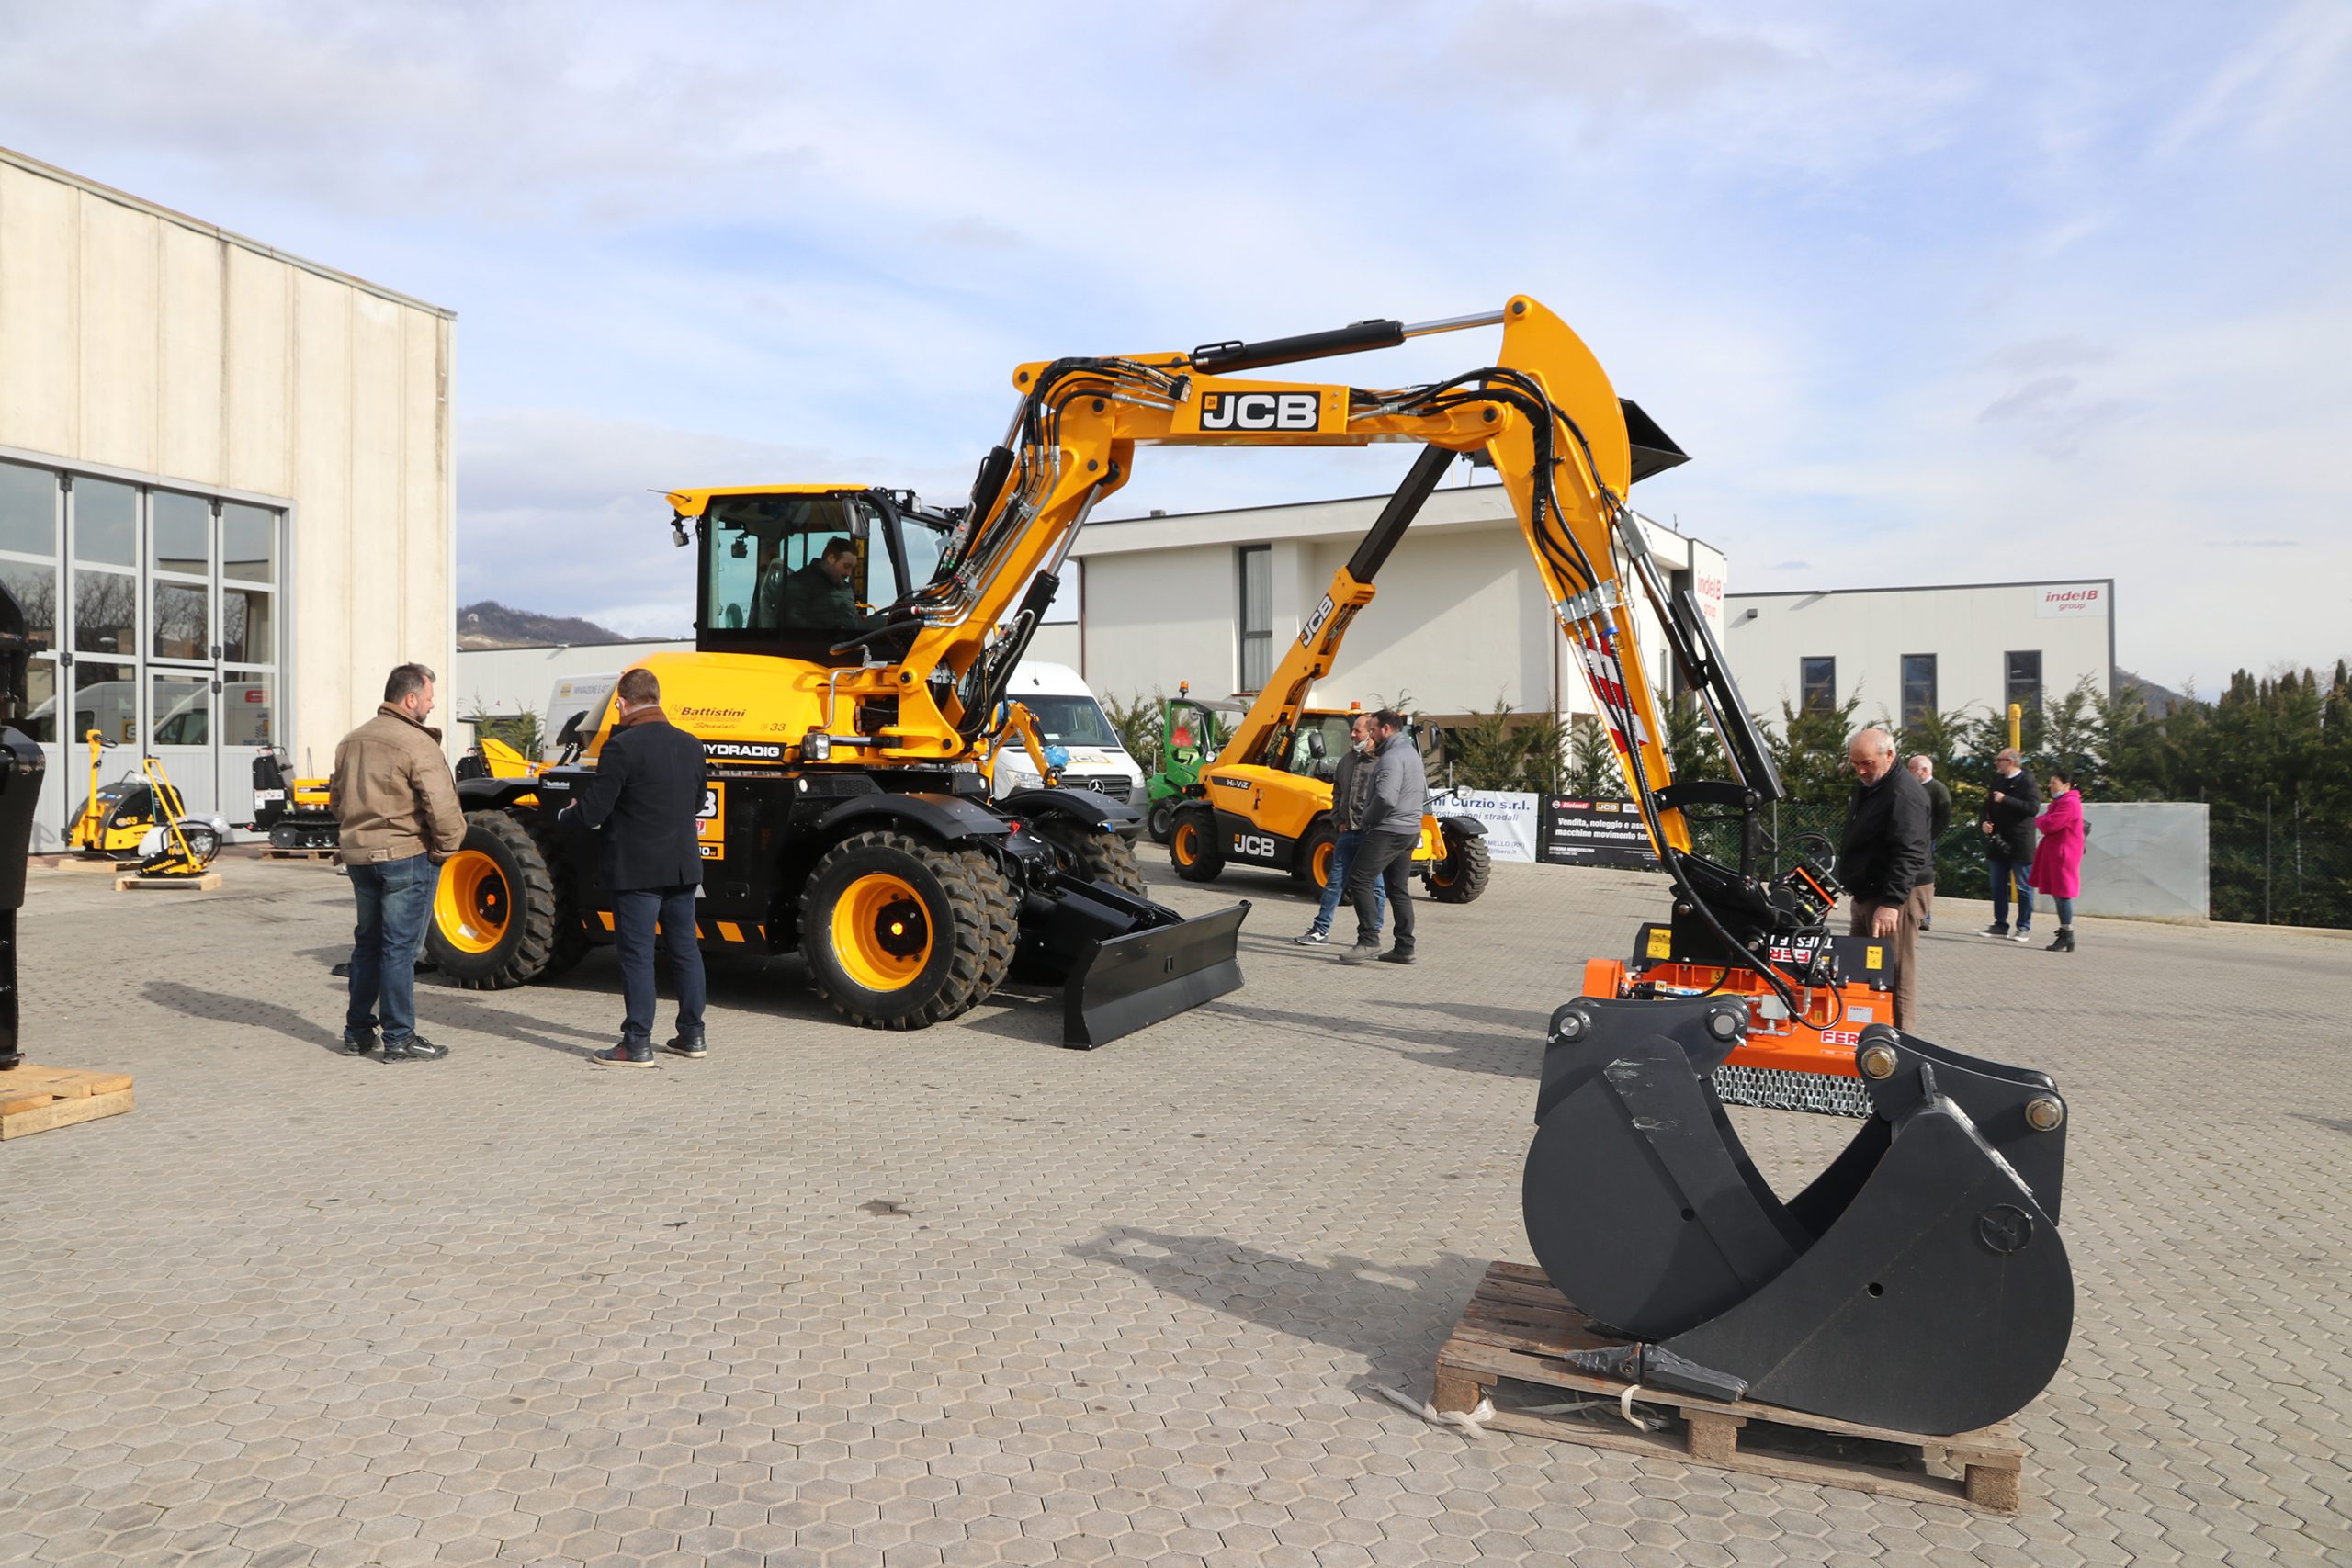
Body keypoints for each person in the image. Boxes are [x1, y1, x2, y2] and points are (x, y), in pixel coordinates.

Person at [562, 668, 711, 1066]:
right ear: (658, 698)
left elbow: (595, 809)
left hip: (636, 871)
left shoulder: (621, 747)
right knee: (685, 951)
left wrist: (567, 815)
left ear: (621, 703)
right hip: (682, 867)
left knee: (638, 956)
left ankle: (637, 1043)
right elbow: (698, 802)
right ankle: (692, 1035)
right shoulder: (692, 744)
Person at [331, 663, 465, 1062]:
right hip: (406, 857)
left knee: (368, 945)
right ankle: (399, 1038)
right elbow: (442, 806)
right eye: (428, 698)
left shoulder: (350, 741)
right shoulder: (416, 742)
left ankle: (357, 1033)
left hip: (359, 857)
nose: (432, 704)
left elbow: (336, 801)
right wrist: (444, 850)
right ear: (410, 700)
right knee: (400, 950)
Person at [1835, 728, 1933, 1031]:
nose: (1861, 771)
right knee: (1857, 965)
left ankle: (1901, 1041)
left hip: (1895, 893)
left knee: (1895, 969)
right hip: (1868, 891)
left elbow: (1910, 852)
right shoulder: (1871, 787)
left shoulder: (1904, 794)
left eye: (1867, 763)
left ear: (1889, 755)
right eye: (1855, 764)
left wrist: (1891, 903)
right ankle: (1857, 1033)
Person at [1338, 708, 1424, 966]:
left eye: (1373, 729)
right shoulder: (1411, 753)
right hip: (1410, 829)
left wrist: (1367, 820)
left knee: (1359, 879)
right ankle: (1404, 947)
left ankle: (1368, 940)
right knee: (1398, 889)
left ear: (1386, 729)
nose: (1371, 735)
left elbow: (1386, 798)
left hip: (1389, 829)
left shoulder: (1390, 758)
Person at [1295, 713, 1385, 946]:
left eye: (1358, 731)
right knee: (1334, 882)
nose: (1353, 734)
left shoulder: (1383, 762)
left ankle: (1373, 931)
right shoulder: (1346, 761)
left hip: (1370, 835)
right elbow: (1337, 794)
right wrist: (1338, 821)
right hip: (1347, 833)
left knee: (1375, 885)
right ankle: (1320, 929)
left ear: (1372, 733)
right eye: (1353, 730)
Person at [1978, 747, 2041, 942]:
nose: (1997, 763)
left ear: (2011, 762)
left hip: (2020, 842)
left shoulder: (2027, 782)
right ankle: (2000, 924)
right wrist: (1984, 822)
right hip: (1999, 841)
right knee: (1997, 885)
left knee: (2023, 887)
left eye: (2000, 760)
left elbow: (2032, 808)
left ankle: (2023, 926)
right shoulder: (1998, 782)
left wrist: (2006, 799)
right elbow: (1986, 806)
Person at [2032, 766, 2086, 953]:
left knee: (2063, 894)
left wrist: (2039, 820)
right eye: (2050, 783)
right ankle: (2065, 933)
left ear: (2066, 785)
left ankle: (2067, 933)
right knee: (2059, 893)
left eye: (2054, 783)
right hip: (2058, 853)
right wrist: (2043, 819)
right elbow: (2047, 820)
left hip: (2065, 854)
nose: (2050, 787)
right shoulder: (2062, 802)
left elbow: (2050, 824)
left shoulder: (2069, 803)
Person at [760, 537, 861, 632]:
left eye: (852, 568)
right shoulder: (798, 584)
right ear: (831, 559)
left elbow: (855, 621)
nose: (849, 574)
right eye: (846, 566)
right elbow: (791, 623)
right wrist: (830, 631)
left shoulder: (847, 589)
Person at [1907, 755, 1952, 931]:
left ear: (1924, 770)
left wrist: (1929, 837)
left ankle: (1925, 916)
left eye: (1912, 768)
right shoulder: (1910, 787)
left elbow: (1944, 818)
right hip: (1908, 839)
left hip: (1925, 842)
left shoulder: (1938, 789)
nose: (1909, 771)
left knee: (1923, 878)